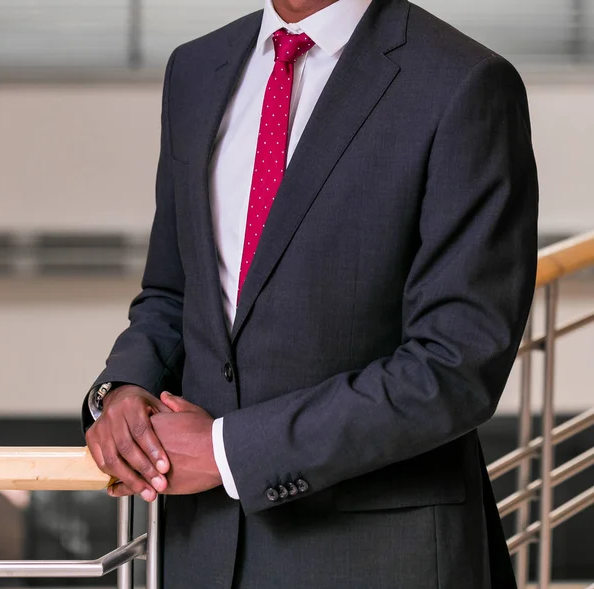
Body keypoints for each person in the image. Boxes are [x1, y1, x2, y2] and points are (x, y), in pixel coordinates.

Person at [82, 0, 539, 587]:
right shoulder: (196, 68)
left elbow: (455, 366)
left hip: (378, 555)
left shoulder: (463, 82)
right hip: (201, 549)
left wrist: (227, 451)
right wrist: (125, 388)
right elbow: (175, 292)